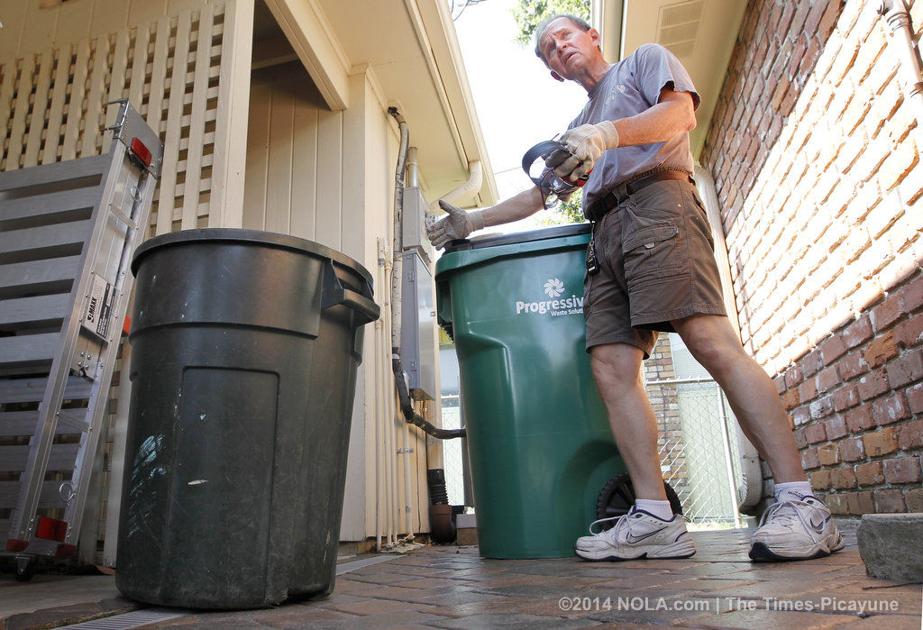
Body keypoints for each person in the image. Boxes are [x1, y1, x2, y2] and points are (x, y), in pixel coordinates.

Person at [425, 14, 843, 563]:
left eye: (565, 35)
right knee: (610, 366)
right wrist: (472, 221)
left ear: (592, 37)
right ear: (553, 72)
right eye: (548, 48)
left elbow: (680, 114)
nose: (559, 47)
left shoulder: (643, 63)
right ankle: (655, 517)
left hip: (657, 204)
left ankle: (801, 502)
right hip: (604, 231)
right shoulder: (577, 125)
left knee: (710, 341)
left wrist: (608, 135)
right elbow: (540, 196)